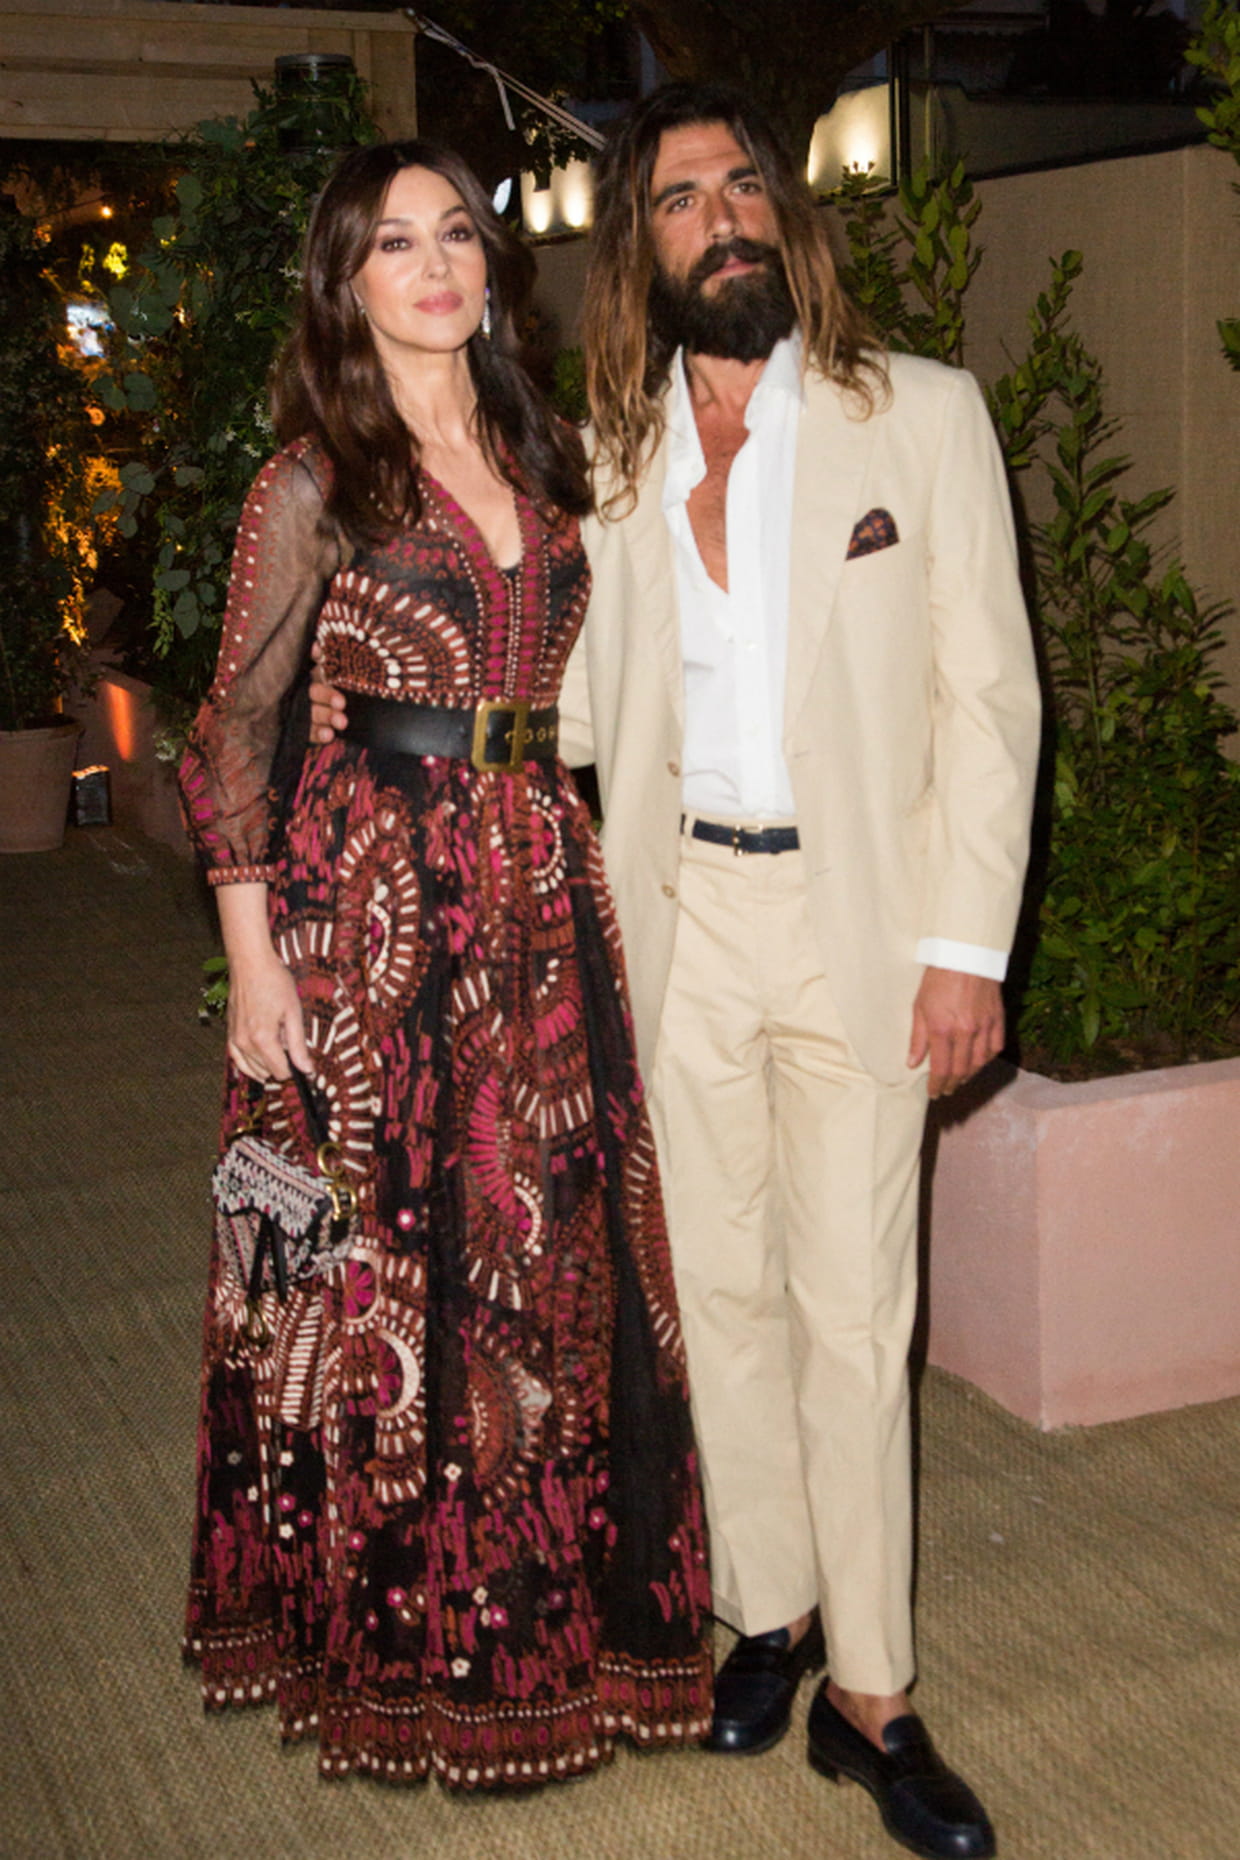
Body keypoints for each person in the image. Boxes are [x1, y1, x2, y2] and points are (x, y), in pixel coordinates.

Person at [312, 87, 1040, 1857]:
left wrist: (965, 948)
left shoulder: (921, 415)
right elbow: (547, 690)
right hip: (669, 920)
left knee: (856, 1309)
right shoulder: (610, 459)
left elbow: (992, 700)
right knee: (713, 1290)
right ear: (640, 245)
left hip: (864, 928)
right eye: (683, 199)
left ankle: (875, 1696)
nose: (724, 218)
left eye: (744, 186)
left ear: (785, 214)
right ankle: (768, 1613)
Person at [178, 138, 712, 1794]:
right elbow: (229, 734)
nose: (435, 267)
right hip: (369, 916)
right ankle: (390, 1653)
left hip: (541, 891)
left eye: (458, 236)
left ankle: (554, 1634)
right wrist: (253, 961)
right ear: (346, 284)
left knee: (550, 1267)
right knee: (367, 1279)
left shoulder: (553, 452)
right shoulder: (311, 482)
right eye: (394, 244)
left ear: (494, 267)